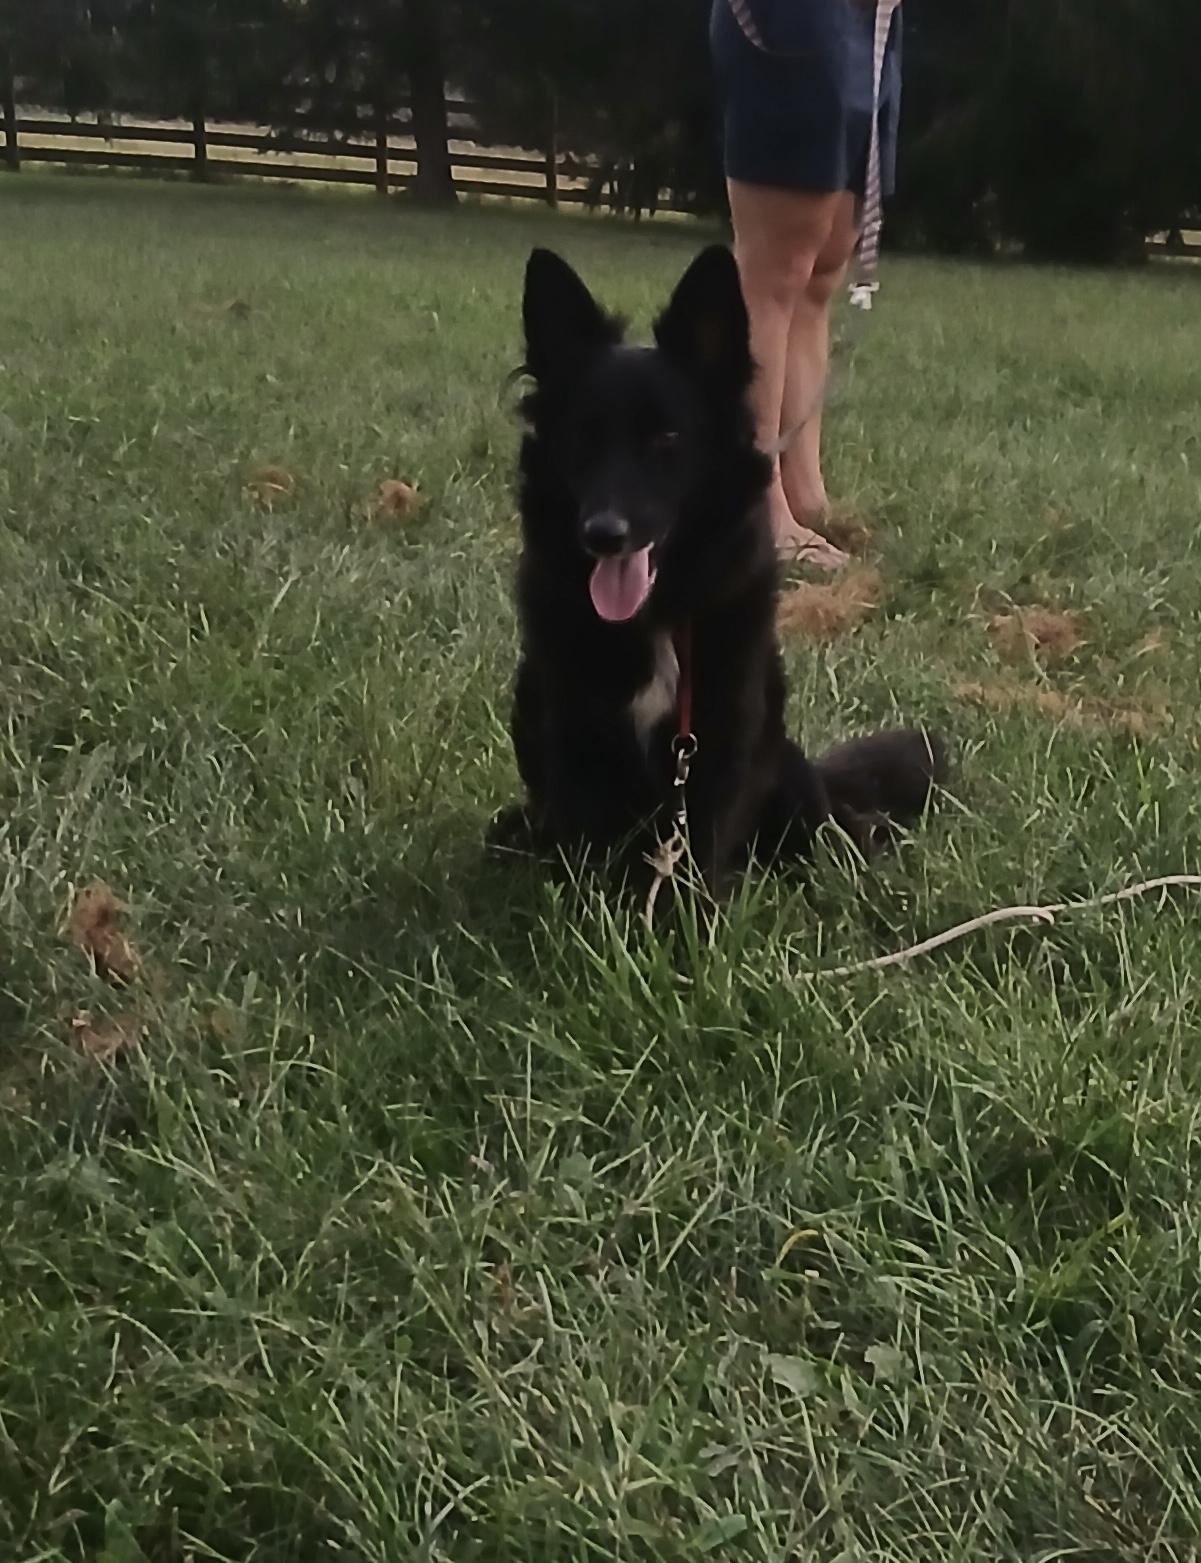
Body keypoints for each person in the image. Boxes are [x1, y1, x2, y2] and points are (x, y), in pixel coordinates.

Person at [710, 0, 902, 568]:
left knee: (823, 268)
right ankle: (757, 507)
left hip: (870, 20)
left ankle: (804, 495)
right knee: (775, 271)